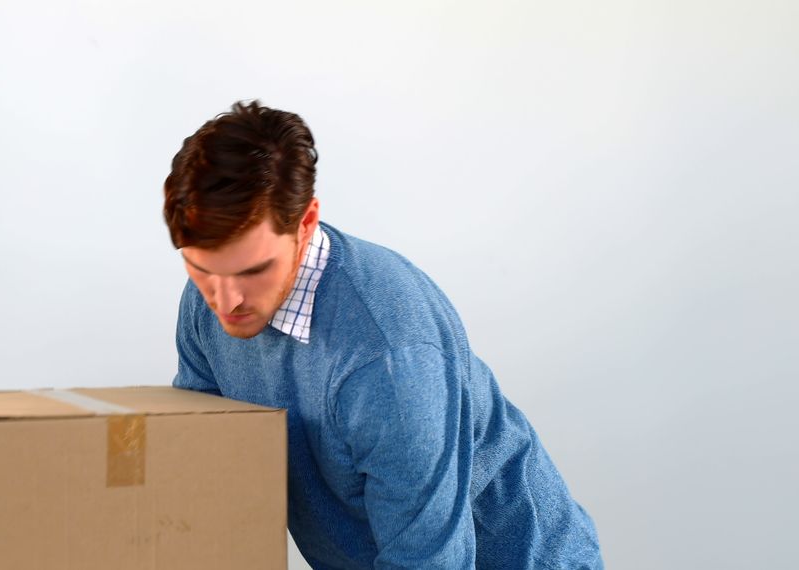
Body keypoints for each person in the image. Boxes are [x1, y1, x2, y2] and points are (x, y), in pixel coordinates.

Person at [163, 100, 603, 569]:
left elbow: (429, 560)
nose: (225, 301)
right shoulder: (205, 307)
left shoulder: (388, 359)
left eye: (253, 270)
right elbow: (207, 462)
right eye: (201, 268)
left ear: (306, 224)